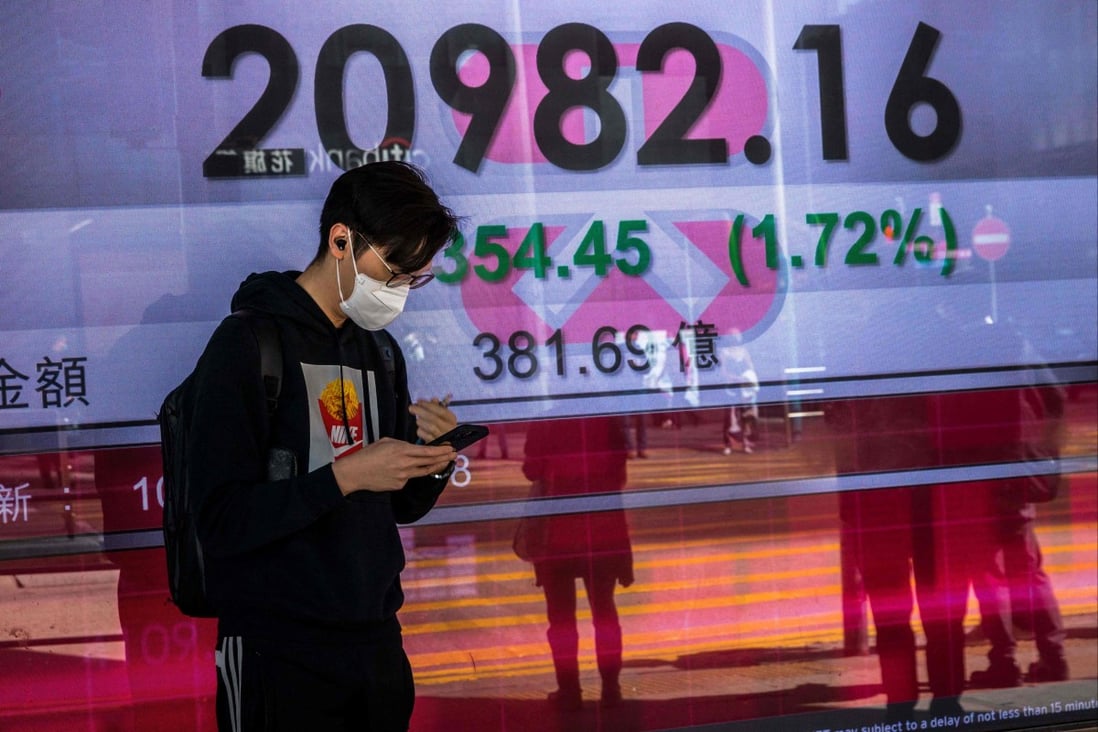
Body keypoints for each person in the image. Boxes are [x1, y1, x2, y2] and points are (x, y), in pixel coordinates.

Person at [187, 161, 461, 731]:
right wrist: (346, 477)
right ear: (341, 239)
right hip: (277, 648)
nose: (400, 290)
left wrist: (430, 461)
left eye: (415, 278)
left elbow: (398, 506)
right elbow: (219, 520)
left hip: (376, 642)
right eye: (394, 270)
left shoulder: (381, 352)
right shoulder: (247, 344)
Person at [519, 415, 634, 711]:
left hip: (558, 533)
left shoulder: (545, 420)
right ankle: (611, 688)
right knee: (605, 612)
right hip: (602, 531)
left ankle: (570, 691)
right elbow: (619, 473)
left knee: (561, 619)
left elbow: (531, 470)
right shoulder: (606, 419)